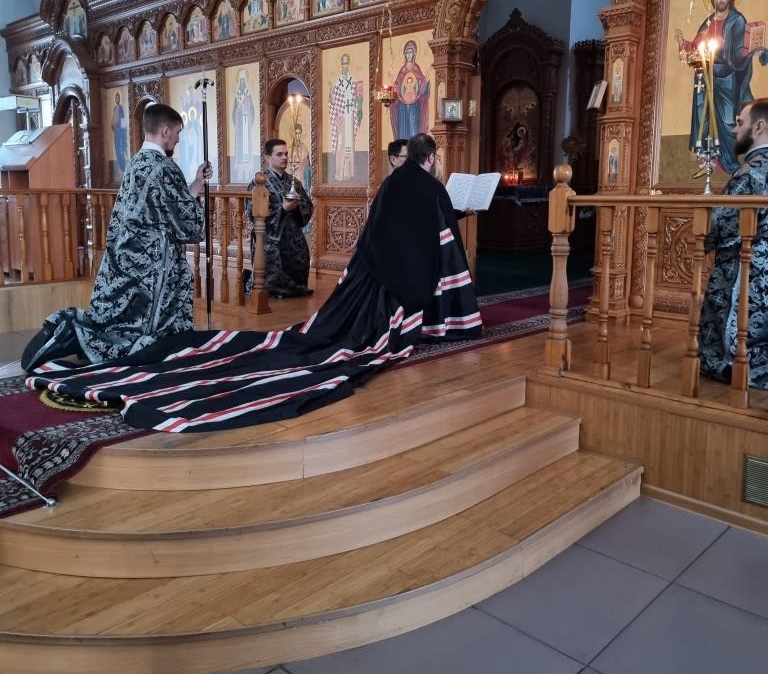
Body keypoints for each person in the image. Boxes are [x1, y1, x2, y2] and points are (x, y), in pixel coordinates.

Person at [27, 134, 482, 432]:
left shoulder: (141, 168)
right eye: (279, 154)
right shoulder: (170, 170)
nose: (284, 159)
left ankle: (113, 344)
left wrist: (291, 206)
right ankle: (106, 345)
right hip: (165, 265)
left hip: (144, 266)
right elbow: (197, 221)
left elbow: (306, 210)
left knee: (148, 326)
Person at [22, 103, 211, 371]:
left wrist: (196, 183)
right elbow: (186, 222)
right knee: (143, 330)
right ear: (166, 131)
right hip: (152, 264)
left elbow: (163, 206)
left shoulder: (136, 162)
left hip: (122, 256)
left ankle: (75, 331)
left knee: (116, 316)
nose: (178, 139)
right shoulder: (164, 167)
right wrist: (195, 202)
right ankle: (77, 335)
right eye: (178, 132)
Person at [699, 99, 768, 387]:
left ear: (760, 126)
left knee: (731, 341)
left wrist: (702, 235)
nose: (734, 130)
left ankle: (735, 368)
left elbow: (719, 224)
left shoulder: (749, 174)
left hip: (747, 270)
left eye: (740, 123)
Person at [675, 0, 768, 174]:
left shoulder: (737, 20)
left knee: (727, 120)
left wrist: (750, 50)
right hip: (705, 74)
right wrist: (684, 44)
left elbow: (738, 51)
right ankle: (707, 159)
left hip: (726, 76)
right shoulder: (708, 21)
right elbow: (697, 46)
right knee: (703, 116)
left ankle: (731, 163)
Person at [249, 138, 313, 298]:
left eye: (286, 154)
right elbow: (253, 213)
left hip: (293, 234)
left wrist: (296, 207)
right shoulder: (259, 183)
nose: (284, 157)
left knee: (301, 251)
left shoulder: (294, 182)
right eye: (279, 154)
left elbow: (308, 207)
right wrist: (283, 209)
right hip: (271, 237)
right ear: (268, 158)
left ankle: (296, 287)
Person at [328, 53, 362, 181]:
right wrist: (331, 91)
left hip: (349, 117)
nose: (345, 65)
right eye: (343, 63)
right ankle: (339, 172)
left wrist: (358, 98)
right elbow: (333, 102)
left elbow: (357, 99)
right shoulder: (338, 82)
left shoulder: (352, 81)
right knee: (341, 144)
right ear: (341, 64)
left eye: (347, 63)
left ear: (349, 64)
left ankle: (348, 173)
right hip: (341, 118)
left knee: (349, 145)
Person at [389, 40, 430, 140]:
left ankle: (414, 147)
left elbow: (422, 85)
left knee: (414, 128)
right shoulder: (402, 71)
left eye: (411, 52)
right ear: (404, 54)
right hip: (402, 107)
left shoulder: (416, 69)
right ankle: (404, 148)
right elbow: (397, 86)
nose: (409, 55)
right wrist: (394, 92)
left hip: (414, 106)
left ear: (414, 54)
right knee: (403, 129)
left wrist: (426, 84)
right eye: (407, 52)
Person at [111, 91, 128, 175]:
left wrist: (123, 131)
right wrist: (113, 126)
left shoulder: (120, 108)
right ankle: (120, 170)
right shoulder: (114, 108)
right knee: (117, 150)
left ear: (120, 99)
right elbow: (113, 120)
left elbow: (123, 121)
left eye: (118, 98)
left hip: (120, 133)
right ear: (115, 99)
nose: (117, 99)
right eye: (116, 98)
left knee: (121, 151)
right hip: (116, 133)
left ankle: (123, 169)